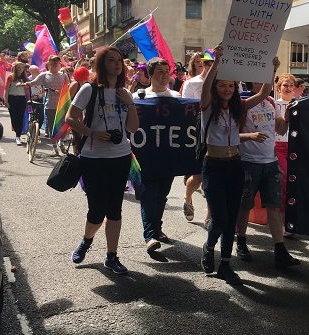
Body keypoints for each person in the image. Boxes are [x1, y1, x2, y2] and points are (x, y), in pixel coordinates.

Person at [200, 45, 277, 285]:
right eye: (222, 85)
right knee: (220, 218)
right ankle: (208, 246)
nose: (227, 89)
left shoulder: (238, 108)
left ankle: (225, 264)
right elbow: (205, 89)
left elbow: (264, 93)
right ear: (216, 87)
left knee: (231, 217)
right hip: (214, 166)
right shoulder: (207, 107)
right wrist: (216, 62)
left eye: (231, 86)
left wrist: (271, 70)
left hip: (235, 165)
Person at [66, 46, 139, 275]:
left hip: (121, 157)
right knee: (96, 210)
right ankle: (87, 240)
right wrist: (92, 133)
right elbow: (70, 117)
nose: (117, 64)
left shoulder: (124, 92)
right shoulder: (89, 89)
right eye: (111, 60)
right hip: (94, 158)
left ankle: (112, 256)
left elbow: (132, 128)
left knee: (115, 209)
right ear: (101, 64)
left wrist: (130, 103)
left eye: (119, 60)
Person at [235, 80, 300, 268]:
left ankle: (280, 249)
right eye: (260, 78)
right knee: (244, 205)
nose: (265, 81)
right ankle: (241, 241)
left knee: (274, 205)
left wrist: (287, 118)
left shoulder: (270, 102)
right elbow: (232, 133)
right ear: (251, 82)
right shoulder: (242, 103)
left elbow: (280, 129)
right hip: (248, 162)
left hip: (270, 162)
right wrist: (250, 136)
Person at [132, 58, 180, 253]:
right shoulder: (139, 97)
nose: (164, 75)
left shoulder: (176, 97)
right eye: (160, 71)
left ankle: (157, 229)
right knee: (148, 194)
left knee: (161, 195)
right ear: (150, 75)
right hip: (145, 157)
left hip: (168, 156)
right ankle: (150, 235)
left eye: (167, 71)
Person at [181, 49, 214, 223]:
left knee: (213, 177)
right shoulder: (192, 83)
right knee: (198, 177)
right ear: (204, 64)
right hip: (197, 135)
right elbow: (185, 110)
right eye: (208, 63)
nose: (211, 67)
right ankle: (187, 198)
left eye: (215, 64)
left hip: (218, 136)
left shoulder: (224, 83)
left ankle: (210, 214)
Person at [22, 55, 69, 154]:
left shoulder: (64, 75)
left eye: (57, 62)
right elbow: (33, 82)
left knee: (64, 125)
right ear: (49, 63)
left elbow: (69, 86)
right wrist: (25, 84)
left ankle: (61, 142)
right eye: (53, 62)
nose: (55, 64)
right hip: (50, 105)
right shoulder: (44, 75)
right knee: (52, 127)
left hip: (63, 105)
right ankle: (55, 147)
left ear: (59, 63)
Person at [274, 73, 297, 229]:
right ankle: (282, 221)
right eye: (285, 85)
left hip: (296, 147)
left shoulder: (301, 104)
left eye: (291, 85)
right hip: (279, 147)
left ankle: (292, 219)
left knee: (294, 183)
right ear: (278, 88)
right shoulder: (274, 104)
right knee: (284, 182)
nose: (288, 88)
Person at [4, 62, 28, 146]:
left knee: (20, 117)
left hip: (22, 99)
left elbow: (29, 87)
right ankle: (17, 132)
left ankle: (18, 136)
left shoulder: (25, 78)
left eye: (22, 68)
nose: (20, 69)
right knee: (13, 117)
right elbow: (6, 89)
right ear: (15, 68)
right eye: (19, 67)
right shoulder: (10, 77)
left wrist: (24, 85)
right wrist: (6, 101)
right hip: (12, 98)